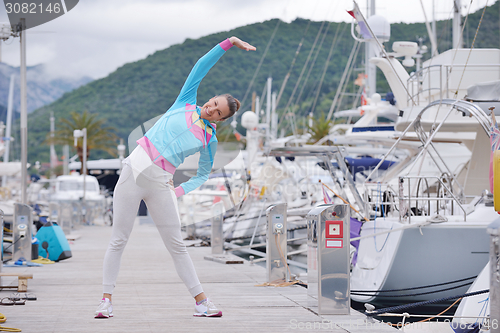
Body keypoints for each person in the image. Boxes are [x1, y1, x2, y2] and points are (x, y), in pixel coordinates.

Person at [95, 36, 256, 319]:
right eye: (213, 103)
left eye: (218, 112)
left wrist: (177, 192)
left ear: (221, 120)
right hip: (134, 170)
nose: (211, 109)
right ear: (210, 98)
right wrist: (228, 43)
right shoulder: (184, 102)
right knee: (119, 239)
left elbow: (203, 173)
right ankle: (106, 300)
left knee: (177, 244)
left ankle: (201, 302)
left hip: (161, 183)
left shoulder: (210, 138)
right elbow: (200, 66)